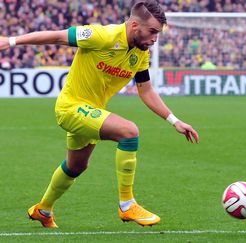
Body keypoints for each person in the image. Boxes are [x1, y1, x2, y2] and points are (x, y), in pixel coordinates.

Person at [0, 0, 199, 228]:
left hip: (92, 111)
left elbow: (146, 90)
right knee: (129, 132)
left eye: (158, 33)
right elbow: (57, 36)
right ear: (135, 25)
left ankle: (43, 209)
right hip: (71, 107)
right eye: (152, 31)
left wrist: (174, 121)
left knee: (76, 166)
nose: (155, 38)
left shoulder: (140, 53)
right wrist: (11, 41)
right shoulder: (101, 35)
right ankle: (127, 204)